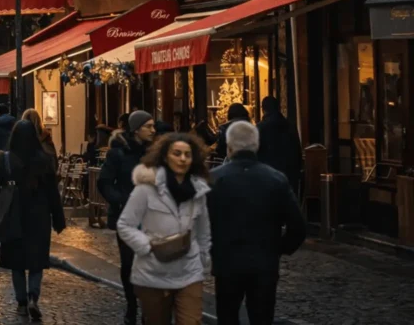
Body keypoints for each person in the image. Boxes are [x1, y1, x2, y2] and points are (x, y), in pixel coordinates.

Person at [208, 121, 306, 325]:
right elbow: (297, 225)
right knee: (262, 317)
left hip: (227, 262)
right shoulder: (275, 179)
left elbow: (201, 223)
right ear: (256, 145)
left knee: (227, 316)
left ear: (229, 147)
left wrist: (213, 248)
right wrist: (279, 248)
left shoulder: (215, 179)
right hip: (264, 262)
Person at [117, 133, 212, 325]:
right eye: (177, 153)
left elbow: (203, 231)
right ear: (165, 156)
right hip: (153, 272)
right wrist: (147, 246)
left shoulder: (199, 191)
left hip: (189, 270)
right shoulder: (146, 189)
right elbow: (125, 224)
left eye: (187, 154)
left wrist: (203, 259)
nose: (183, 159)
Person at [0, 118, 66, 321]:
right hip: (39, 215)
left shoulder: (5, 160)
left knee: (17, 262)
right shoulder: (45, 160)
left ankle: (21, 302)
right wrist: (58, 219)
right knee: (36, 260)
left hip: (13, 215)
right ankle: (33, 296)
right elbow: (52, 193)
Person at [98, 110, 156, 325]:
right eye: (148, 126)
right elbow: (104, 182)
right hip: (129, 217)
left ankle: (149, 308)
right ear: (136, 129)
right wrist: (121, 201)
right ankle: (132, 304)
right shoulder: (119, 153)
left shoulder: (155, 153)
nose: (153, 130)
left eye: (153, 126)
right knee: (129, 264)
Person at [256, 97, 303, 195]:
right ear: (279, 108)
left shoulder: (260, 128)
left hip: (267, 175)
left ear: (263, 109)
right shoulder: (290, 126)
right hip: (289, 174)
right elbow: (297, 151)